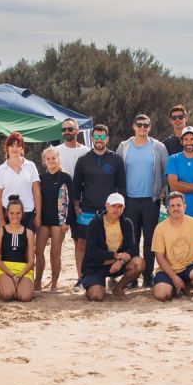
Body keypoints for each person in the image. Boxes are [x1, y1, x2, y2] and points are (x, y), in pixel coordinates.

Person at [116, 114, 169, 288]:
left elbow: (165, 173)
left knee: (150, 240)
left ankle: (148, 275)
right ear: (133, 126)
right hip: (129, 200)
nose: (142, 128)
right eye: (139, 125)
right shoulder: (124, 147)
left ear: (150, 127)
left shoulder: (158, 147)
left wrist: (164, 197)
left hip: (150, 200)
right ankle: (133, 276)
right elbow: (118, 172)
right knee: (132, 240)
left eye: (146, 125)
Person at [72, 124, 126, 293]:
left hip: (110, 211)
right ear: (92, 138)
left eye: (103, 137)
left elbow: (121, 186)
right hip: (87, 210)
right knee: (82, 243)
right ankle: (81, 278)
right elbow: (76, 186)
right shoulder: (83, 160)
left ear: (107, 139)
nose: (99, 140)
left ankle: (111, 277)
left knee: (111, 245)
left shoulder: (116, 159)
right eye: (96, 136)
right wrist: (76, 206)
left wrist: (119, 208)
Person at [151, 192, 193, 302]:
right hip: (167, 270)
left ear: (184, 207)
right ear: (168, 209)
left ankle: (186, 287)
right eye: (172, 206)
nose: (175, 208)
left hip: (188, 268)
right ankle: (171, 287)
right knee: (162, 296)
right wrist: (173, 277)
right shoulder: (160, 228)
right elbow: (159, 257)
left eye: (178, 205)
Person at [81, 193, 144, 301]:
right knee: (97, 296)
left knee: (139, 263)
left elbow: (132, 249)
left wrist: (120, 261)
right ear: (106, 206)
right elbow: (92, 251)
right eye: (113, 206)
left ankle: (118, 288)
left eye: (120, 206)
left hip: (117, 264)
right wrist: (116, 255)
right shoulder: (95, 223)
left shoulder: (127, 223)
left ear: (124, 208)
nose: (116, 209)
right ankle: (92, 285)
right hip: (96, 265)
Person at [36, 146, 73, 292]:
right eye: (48, 158)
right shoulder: (40, 178)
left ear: (58, 159)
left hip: (59, 221)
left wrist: (67, 221)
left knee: (55, 253)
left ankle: (54, 284)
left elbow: (71, 200)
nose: (51, 161)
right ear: (44, 161)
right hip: (44, 220)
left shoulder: (65, 177)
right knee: (38, 252)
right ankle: (37, 282)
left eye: (53, 158)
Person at [0, 132, 41, 235]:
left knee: (29, 247)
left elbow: (36, 192)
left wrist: (38, 215)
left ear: (22, 148)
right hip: (8, 214)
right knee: (11, 250)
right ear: (7, 148)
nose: (14, 149)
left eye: (18, 146)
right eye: (12, 145)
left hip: (29, 213)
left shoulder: (31, 166)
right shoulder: (1, 169)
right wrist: (1, 220)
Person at [0, 195, 36, 302]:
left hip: (23, 270)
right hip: (4, 269)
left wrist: (20, 276)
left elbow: (31, 261)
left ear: (22, 213)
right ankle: (7, 286)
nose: (15, 216)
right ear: (7, 213)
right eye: (12, 213)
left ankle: (22, 287)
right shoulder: (0, 232)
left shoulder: (29, 233)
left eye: (18, 213)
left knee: (25, 297)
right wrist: (11, 275)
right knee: (7, 295)